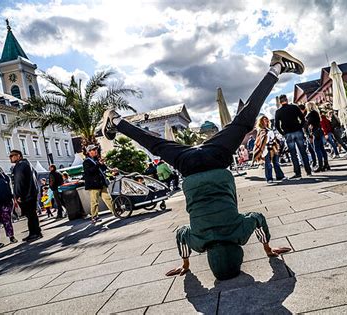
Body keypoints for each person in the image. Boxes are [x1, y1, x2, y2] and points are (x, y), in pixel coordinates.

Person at [100, 50, 301, 280]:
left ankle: (276, 68)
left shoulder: (240, 232)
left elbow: (258, 219)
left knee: (245, 120)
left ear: (239, 252)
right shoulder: (198, 242)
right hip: (188, 164)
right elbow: (181, 234)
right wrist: (185, 263)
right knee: (153, 143)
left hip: (217, 156)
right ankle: (116, 120)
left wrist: (268, 248)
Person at [275, 94, 311, 179]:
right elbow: (302, 119)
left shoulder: (278, 112)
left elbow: (276, 125)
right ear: (287, 100)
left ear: (280, 102)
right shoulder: (294, 107)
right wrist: (300, 127)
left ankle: (297, 173)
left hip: (288, 133)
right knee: (303, 151)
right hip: (298, 131)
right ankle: (308, 170)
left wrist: (283, 133)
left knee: (293, 154)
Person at [10, 150, 42, 242]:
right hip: (31, 193)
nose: (10, 158)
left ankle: (35, 233)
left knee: (31, 215)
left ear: (18, 156)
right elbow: (35, 174)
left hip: (26, 195)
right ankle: (35, 232)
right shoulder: (27, 163)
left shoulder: (20, 165)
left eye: (12, 156)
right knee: (32, 215)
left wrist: (19, 195)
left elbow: (20, 182)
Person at [82, 144, 115, 223]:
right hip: (93, 185)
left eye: (96, 149)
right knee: (94, 202)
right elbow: (90, 171)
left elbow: (102, 169)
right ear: (89, 152)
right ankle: (94, 216)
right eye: (93, 150)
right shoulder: (86, 161)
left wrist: (103, 164)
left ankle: (115, 211)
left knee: (108, 198)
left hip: (101, 183)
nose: (96, 151)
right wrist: (98, 164)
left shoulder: (96, 159)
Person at [254, 115, 286, 184]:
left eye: (267, 119)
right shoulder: (260, 130)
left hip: (273, 147)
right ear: (261, 121)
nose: (266, 121)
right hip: (266, 148)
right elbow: (260, 140)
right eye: (264, 119)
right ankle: (269, 178)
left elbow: (273, 138)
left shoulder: (269, 129)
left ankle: (280, 176)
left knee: (276, 162)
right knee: (268, 164)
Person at [305, 102, 330, 172]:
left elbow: (308, 123)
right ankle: (326, 164)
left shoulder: (311, 114)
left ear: (309, 107)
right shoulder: (316, 113)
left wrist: (307, 122)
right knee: (322, 148)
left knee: (317, 149)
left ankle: (320, 165)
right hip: (319, 131)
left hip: (315, 132)